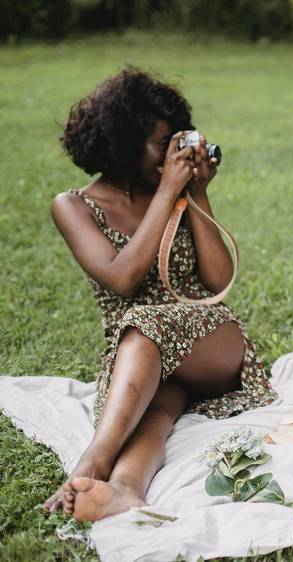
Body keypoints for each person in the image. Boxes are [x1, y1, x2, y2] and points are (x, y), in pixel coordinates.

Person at [42, 67, 277, 521]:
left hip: (212, 340)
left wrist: (194, 193)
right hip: (141, 357)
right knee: (153, 415)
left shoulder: (174, 192)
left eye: (180, 140)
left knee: (147, 325)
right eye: (163, 142)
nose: (174, 154)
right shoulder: (72, 206)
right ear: (125, 140)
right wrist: (168, 190)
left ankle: (92, 460)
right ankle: (125, 490)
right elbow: (122, 278)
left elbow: (217, 279)